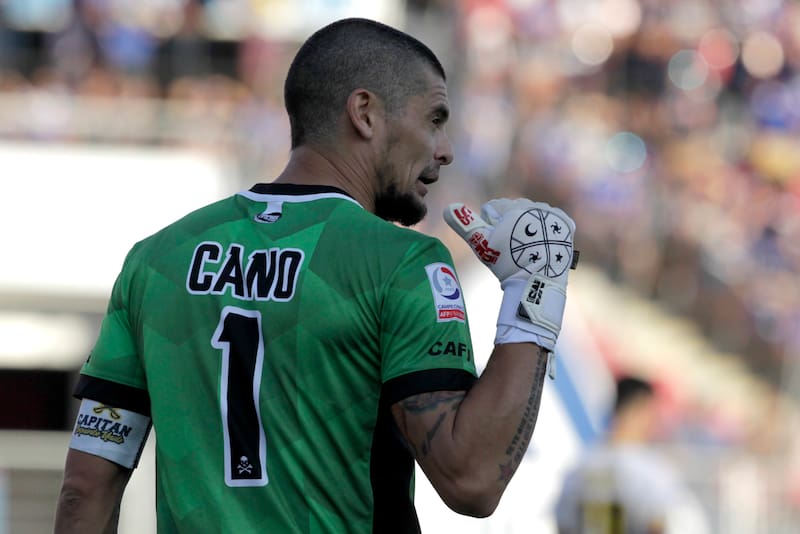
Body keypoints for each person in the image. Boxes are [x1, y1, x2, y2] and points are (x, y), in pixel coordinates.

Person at [54, 17, 577, 534]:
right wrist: (535, 290)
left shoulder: (155, 260)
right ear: (365, 113)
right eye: (434, 119)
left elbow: (85, 489)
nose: (446, 149)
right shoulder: (402, 262)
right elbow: (472, 480)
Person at [554, 375, 711, 534]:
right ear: (641, 410)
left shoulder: (582, 465)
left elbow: (563, 523)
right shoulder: (649, 471)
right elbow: (667, 524)